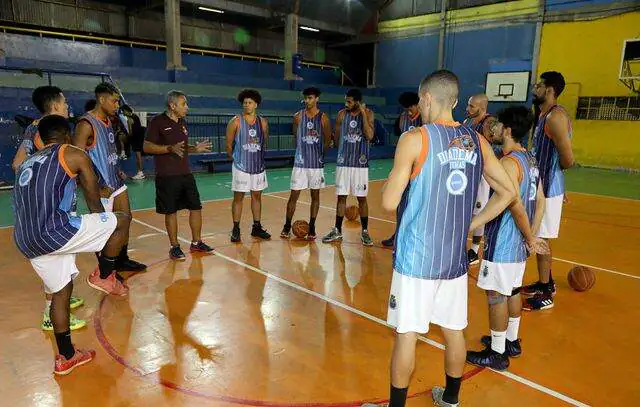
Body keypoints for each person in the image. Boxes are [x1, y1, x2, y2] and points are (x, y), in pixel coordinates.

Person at [364, 70, 517, 407]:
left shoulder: (415, 138)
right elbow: (508, 191)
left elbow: (389, 202)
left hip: (416, 259)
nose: (419, 105)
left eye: (419, 100)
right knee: (453, 331)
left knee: (407, 335)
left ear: (428, 98)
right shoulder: (477, 140)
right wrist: (471, 222)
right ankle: (450, 399)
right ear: (456, 101)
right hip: (454, 260)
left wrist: (393, 176)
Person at [13, 115, 130, 374]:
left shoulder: (26, 164)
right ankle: (105, 274)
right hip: (55, 231)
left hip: (26, 240)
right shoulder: (72, 153)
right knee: (121, 220)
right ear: (67, 136)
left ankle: (66, 356)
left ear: (39, 139)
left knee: (61, 292)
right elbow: (93, 201)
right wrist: (103, 234)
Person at [466, 106, 548, 371]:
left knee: (496, 295)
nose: (495, 129)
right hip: (519, 244)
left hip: (504, 241)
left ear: (508, 130)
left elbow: (513, 203)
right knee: (511, 290)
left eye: (498, 125)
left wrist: (529, 237)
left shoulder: (508, 163)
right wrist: (531, 237)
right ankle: (511, 340)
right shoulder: (530, 160)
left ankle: (497, 352)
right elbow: (541, 201)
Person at [10, 86, 87, 331]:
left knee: (63, 257)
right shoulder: (38, 128)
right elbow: (18, 164)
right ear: (54, 105)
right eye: (64, 102)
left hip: (60, 204)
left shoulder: (44, 128)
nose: (67, 107)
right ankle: (49, 311)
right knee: (54, 254)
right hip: (50, 209)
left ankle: (61, 295)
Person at [73, 83, 146, 273]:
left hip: (116, 181)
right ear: (101, 99)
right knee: (104, 230)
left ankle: (122, 260)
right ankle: (107, 272)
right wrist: (93, 184)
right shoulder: (86, 124)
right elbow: (76, 159)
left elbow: (105, 152)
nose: (116, 105)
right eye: (114, 101)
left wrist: (117, 168)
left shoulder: (109, 121)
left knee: (126, 219)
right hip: (100, 187)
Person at [522, 71, 575, 311]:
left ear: (551, 89)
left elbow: (568, 158)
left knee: (540, 238)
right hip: (541, 186)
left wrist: (555, 184)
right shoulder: (542, 114)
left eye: (540, 85)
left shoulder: (555, 117)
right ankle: (547, 281)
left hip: (548, 188)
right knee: (539, 236)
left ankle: (545, 292)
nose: (535, 88)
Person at [143, 91, 214, 260]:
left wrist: (194, 148)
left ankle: (196, 243)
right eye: (184, 104)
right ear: (172, 106)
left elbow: (180, 146)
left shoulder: (183, 122)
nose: (187, 107)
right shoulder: (157, 122)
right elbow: (146, 147)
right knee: (171, 211)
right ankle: (174, 247)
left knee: (196, 207)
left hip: (185, 173)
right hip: (167, 175)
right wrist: (168, 148)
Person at [322, 89, 375, 246]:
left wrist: (363, 114)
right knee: (341, 197)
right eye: (346, 101)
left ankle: (364, 232)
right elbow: (337, 139)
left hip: (360, 163)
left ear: (358, 102)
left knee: (361, 198)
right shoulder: (341, 115)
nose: (346, 104)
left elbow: (369, 135)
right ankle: (337, 230)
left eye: (350, 101)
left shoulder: (369, 114)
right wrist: (340, 149)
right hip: (343, 162)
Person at [280, 87, 331, 240]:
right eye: (306, 98)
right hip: (300, 164)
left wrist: (321, 155)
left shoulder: (323, 118)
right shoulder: (298, 117)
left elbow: (327, 139)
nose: (307, 101)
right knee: (293, 195)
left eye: (310, 98)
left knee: (315, 195)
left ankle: (313, 226)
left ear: (317, 99)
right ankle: (287, 225)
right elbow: (296, 135)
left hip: (316, 164)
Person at [226, 89, 271, 242]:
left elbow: (265, 143)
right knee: (238, 197)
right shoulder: (235, 121)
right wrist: (235, 159)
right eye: (244, 103)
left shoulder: (263, 122)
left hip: (258, 166)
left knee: (257, 196)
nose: (246, 105)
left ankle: (256, 227)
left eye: (250, 103)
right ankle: (236, 228)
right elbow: (228, 145)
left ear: (256, 104)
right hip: (241, 166)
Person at [382, 92, 422, 248]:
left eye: (411, 107)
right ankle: (398, 234)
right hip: (405, 167)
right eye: (406, 108)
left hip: (420, 168)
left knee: (418, 202)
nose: (409, 111)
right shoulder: (403, 117)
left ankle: (415, 236)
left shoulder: (425, 119)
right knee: (400, 202)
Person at [463, 94, 494, 265]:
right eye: (468, 105)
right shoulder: (468, 122)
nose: (467, 109)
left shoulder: (490, 123)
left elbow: (489, 146)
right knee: (467, 209)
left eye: (471, 106)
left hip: (482, 175)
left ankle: (474, 251)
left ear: (481, 108)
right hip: (469, 172)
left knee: (479, 212)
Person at [122, 104, 146, 180]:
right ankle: (140, 172)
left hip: (136, 139)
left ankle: (140, 172)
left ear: (126, 111)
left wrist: (127, 137)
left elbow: (131, 132)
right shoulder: (135, 116)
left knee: (138, 156)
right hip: (139, 138)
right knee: (138, 156)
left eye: (123, 111)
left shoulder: (130, 119)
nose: (123, 113)